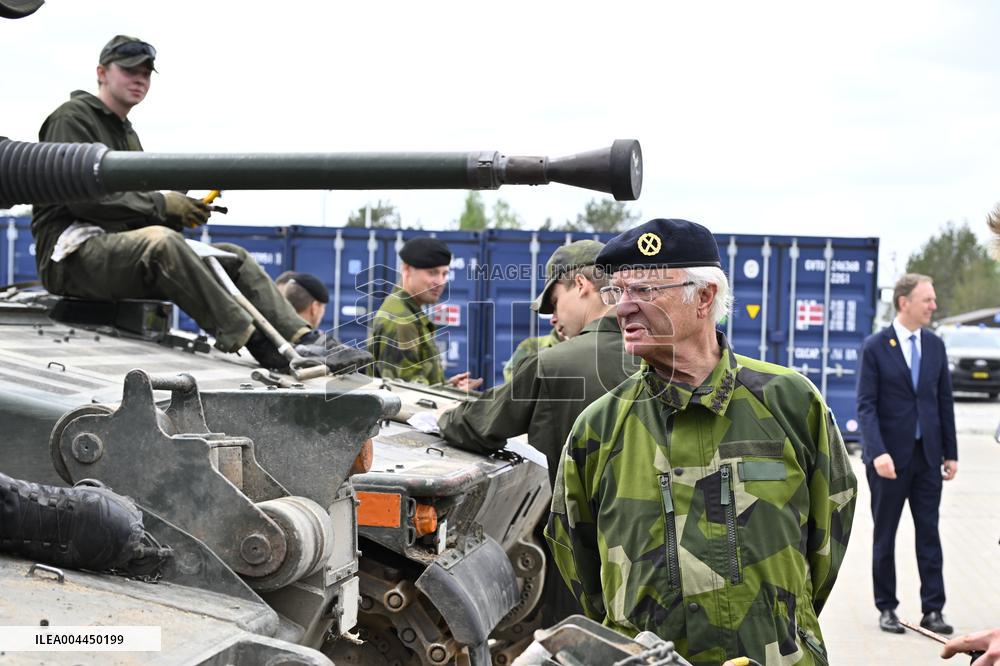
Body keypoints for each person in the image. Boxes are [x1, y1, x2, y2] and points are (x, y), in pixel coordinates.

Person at [545, 218, 857, 666]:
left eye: (645, 291)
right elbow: (577, 560)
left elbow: (830, 533)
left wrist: (780, 625)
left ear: (705, 296)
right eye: (617, 292)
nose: (623, 308)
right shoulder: (599, 428)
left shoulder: (789, 401)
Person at [30, 36, 354, 372]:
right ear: (101, 72)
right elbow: (86, 202)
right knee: (163, 245)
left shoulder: (125, 132)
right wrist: (163, 205)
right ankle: (258, 342)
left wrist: (180, 209)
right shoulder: (73, 118)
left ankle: (301, 338)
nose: (140, 78)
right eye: (129, 71)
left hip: (114, 252)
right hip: (70, 256)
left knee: (233, 257)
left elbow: (133, 211)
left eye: (146, 72)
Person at [438, 239, 641, 626]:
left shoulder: (553, 363)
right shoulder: (662, 357)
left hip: (580, 560)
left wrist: (446, 415)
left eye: (554, 301)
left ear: (580, 285)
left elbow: (478, 426)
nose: (553, 317)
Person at [856, 273, 958, 635]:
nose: (934, 306)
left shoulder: (935, 346)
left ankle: (934, 609)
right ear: (905, 303)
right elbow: (866, 406)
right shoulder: (876, 346)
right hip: (888, 462)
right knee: (885, 535)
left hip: (928, 457)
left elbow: (943, 400)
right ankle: (887, 608)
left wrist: (951, 453)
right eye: (927, 300)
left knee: (928, 533)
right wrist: (877, 452)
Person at [368, 236, 482, 390]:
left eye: (444, 274)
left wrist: (448, 387)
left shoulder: (408, 312)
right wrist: (455, 396)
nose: (440, 282)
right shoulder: (401, 321)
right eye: (432, 272)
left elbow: (414, 384)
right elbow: (410, 397)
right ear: (406, 269)